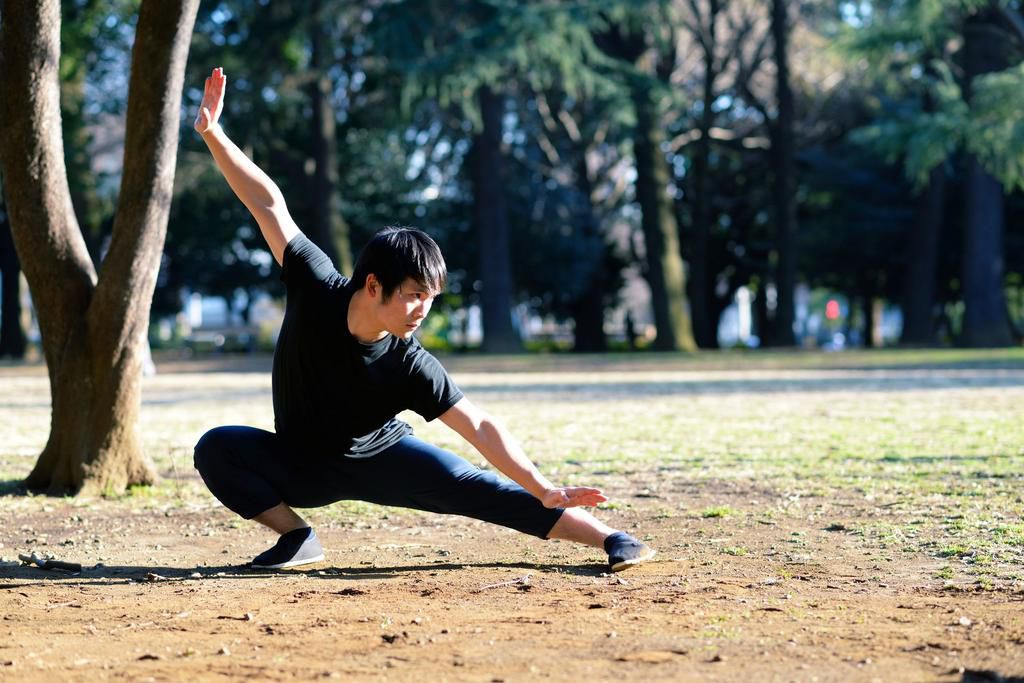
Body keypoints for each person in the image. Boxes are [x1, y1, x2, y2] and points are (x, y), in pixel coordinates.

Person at [191, 67, 655, 573]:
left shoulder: (409, 363)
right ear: (373, 284)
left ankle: (612, 538)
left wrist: (544, 486)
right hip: (302, 465)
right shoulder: (314, 285)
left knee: (482, 490)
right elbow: (267, 203)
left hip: (383, 459)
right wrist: (214, 135)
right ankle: (297, 537)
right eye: (413, 296)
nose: (422, 310)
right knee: (218, 448)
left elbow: (476, 423)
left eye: (429, 298)